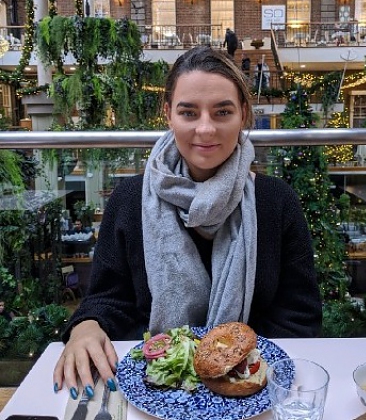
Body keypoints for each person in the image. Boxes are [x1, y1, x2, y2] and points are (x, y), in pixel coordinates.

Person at [53, 46, 322, 400]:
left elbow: (299, 318)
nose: (206, 128)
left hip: (252, 394)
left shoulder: (276, 201)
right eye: (189, 112)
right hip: (154, 389)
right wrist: (86, 325)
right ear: (168, 114)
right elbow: (108, 298)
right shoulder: (130, 199)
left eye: (222, 111)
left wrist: (233, 369)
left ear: (243, 114)